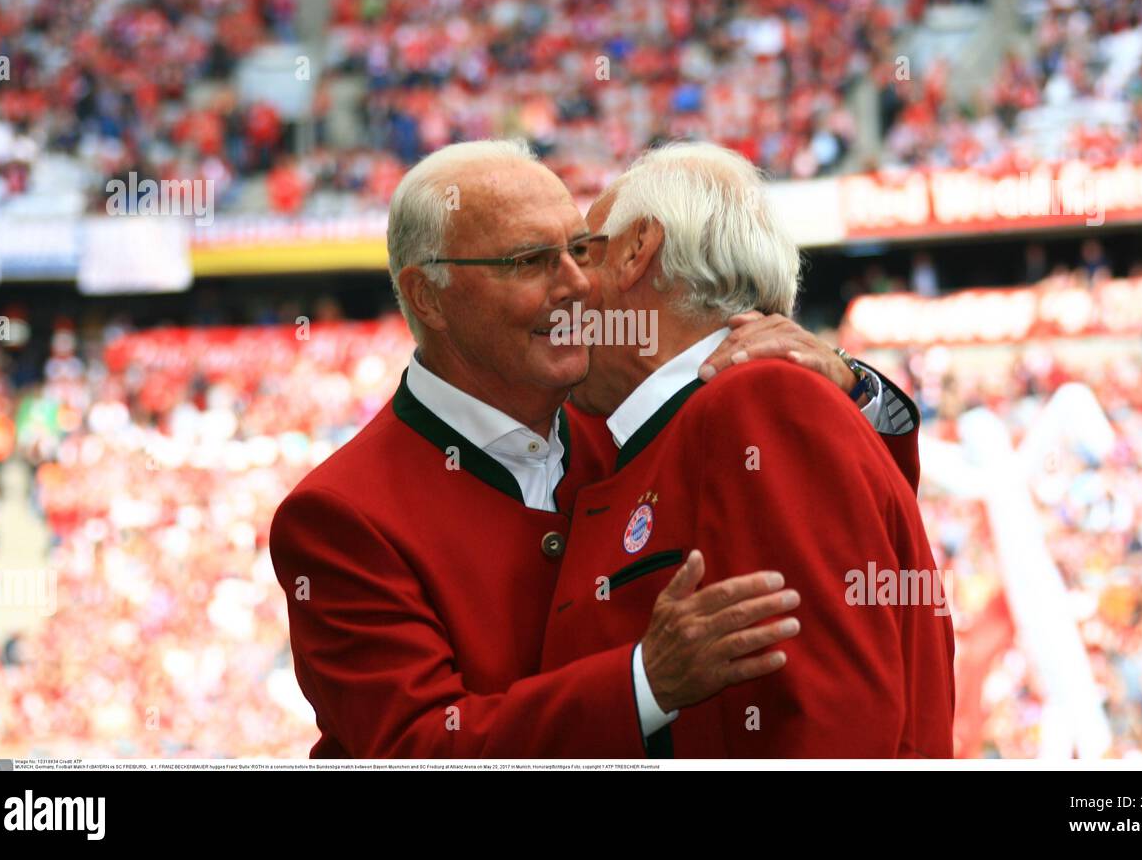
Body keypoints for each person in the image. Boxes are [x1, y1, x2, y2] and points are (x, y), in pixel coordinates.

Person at [270, 139, 922, 757]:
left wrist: (852, 391)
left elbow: (845, 535)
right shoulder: (340, 515)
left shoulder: (643, 420)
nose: (578, 285)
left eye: (581, 249)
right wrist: (642, 684)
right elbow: (417, 750)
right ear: (427, 297)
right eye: (530, 260)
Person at [539, 142, 955, 757]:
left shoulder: (759, 401)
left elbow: (829, 720)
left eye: (582, 252)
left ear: (636, 250)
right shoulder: (700, 414)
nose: (566, 287)